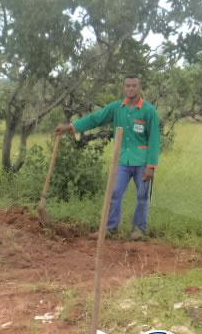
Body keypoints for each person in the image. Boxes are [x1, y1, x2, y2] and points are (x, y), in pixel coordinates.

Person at [56, 75, 160, 240]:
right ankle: (110, 228)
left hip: (142, 161)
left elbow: (154, 139)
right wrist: (71, 127)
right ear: (123, 88)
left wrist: (151, 166)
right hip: (122, 160)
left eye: (134, 86)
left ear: (139, 88)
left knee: (142, 196)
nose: (130, 89)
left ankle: (139, 230)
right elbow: (95, 119)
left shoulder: (149, 111)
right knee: (115, 192)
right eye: (127, 86)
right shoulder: (117, 108)